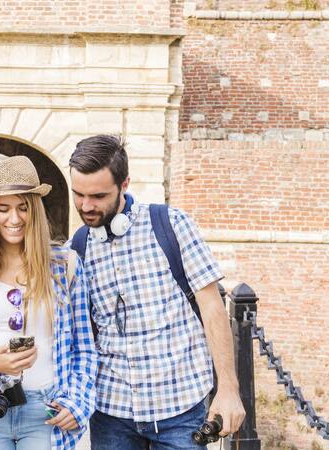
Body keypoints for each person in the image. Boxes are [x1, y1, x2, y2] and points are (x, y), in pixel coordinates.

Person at [67, 135, 245, 450]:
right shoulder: (76, 249)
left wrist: (228, 388)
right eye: (78, 194)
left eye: (97, 196)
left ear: (124, 185)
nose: (86, 205)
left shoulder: (172, 225)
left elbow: (212, 307)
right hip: (111, 412)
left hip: (181, 407)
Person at [0, 156, 97, 450]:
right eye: (3, 209)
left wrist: (77, 402)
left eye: (22, 208)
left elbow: (84, 348)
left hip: (47, 406)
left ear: (35, 211)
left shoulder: (65, 266)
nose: (13, 219)